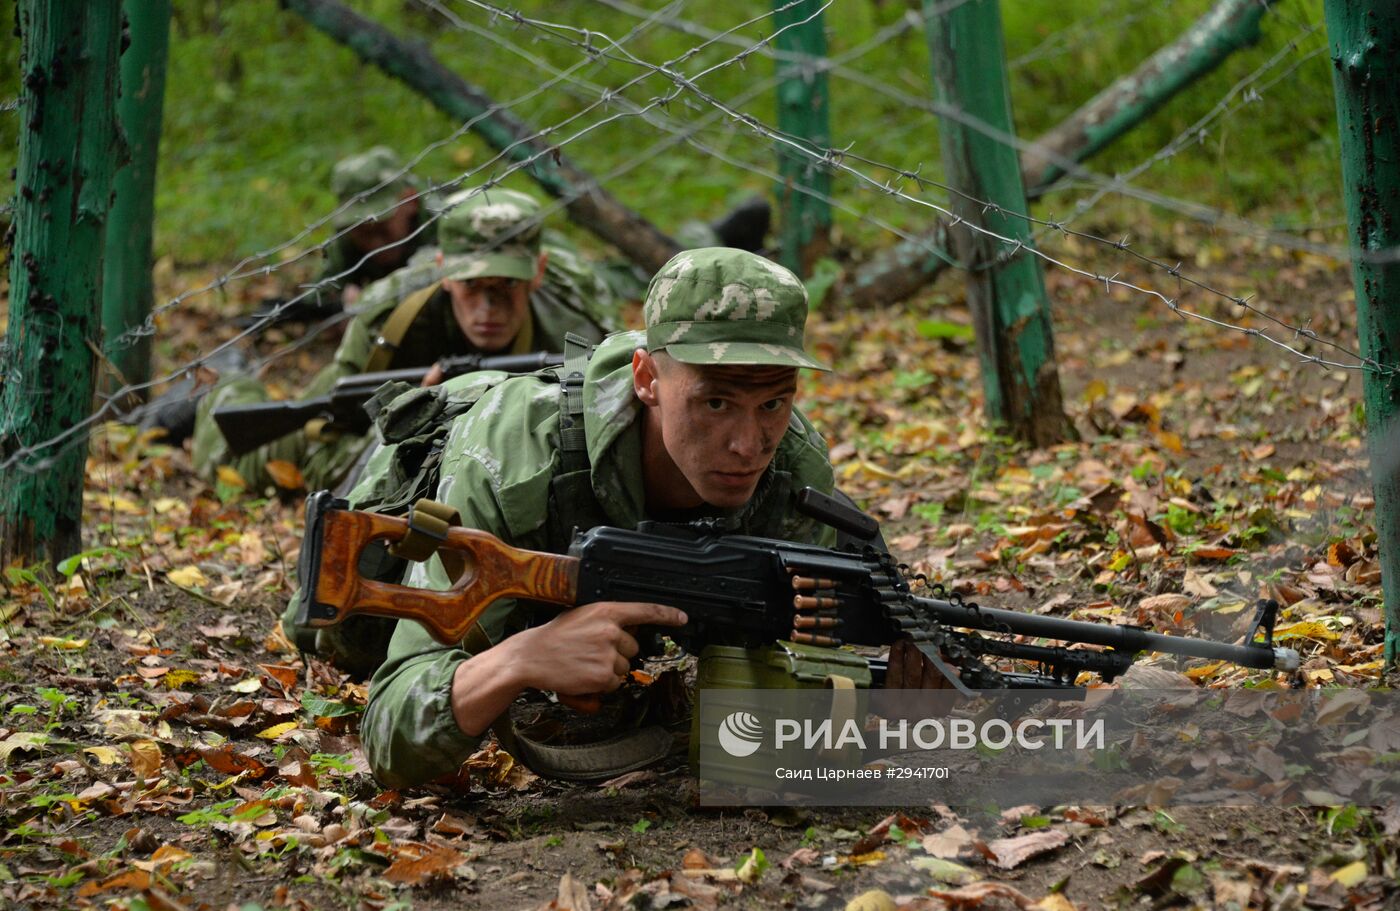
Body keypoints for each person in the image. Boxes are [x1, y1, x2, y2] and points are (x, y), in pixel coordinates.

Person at [354, 247, 838, 788]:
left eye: (773, 403)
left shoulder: (794, 467)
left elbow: (825, 635)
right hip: (424, 482)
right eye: (716, 404)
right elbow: (388, 735)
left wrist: (896, 695)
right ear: (647, 378)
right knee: (346, 633)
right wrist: (521, 659)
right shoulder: (512, 468)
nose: (749, 446)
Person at [190, 186, 618, 493]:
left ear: (537, 274)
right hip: (364, 418)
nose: (488, 309)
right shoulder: (389, 318)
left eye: (506, 286)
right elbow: (337, 438)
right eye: (472, 286)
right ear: (444, 272)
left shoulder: (577, 329)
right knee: (239, 463)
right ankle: (224, 383)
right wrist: (408, 427)